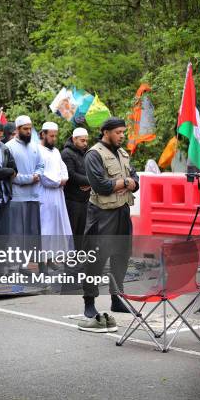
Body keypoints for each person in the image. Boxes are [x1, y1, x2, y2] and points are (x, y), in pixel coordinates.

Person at [80, 117, 139, 322]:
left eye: (123, 132)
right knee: (96, 259)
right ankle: (89, 302)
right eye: (118, 132)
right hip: (101, 214)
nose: (122, 136)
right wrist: (126, 182)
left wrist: (128, 182)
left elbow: (136, 181)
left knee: (122, 256)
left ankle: (117, 298)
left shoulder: (123, 153)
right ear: (106, 132)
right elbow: (101, 186)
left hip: (122, 211)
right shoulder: (94, 154)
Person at [38, 122, 73, 265]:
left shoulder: (57, 151)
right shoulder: (37, 151)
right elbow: (41, 175)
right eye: (51, 136)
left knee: (56, 227)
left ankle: (51, 258)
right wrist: (58, 182)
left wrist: (65, 178)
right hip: (44, 194)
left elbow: (63, 168)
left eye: (55, 136)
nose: (54, 138)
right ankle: (42, 260)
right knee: (45, 227)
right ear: (43, 134)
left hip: (58, 195)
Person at [6, 115, 44, 237]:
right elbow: (9, 173)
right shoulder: (8, 147)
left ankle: (32, 257)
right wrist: (30, 179)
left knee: (33, 233)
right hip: (17, 197)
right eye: (25, 129)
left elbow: (41, 165)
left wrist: (38, 174)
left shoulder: (35, 146)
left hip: (34, 196)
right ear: (17, 129)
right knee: (17, 234)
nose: (28, 132)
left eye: (30, 129)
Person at [61, 127, 91, 248]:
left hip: (85, 200)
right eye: (82, 140)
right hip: (72, 200)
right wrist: (92, 182)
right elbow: (71, 175)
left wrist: (90, 184)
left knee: (82, 232)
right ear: (74, 139)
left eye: (86, 141)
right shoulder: (66, 153)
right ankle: (70, 262)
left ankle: (78, 259)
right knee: (72, 232)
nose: (85, 143)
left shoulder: (87, 153)